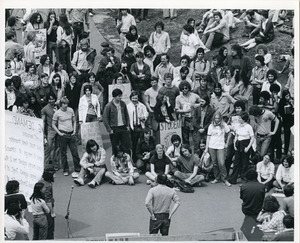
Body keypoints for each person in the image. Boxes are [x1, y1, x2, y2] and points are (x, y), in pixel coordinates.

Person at [52, 96, 81, 177]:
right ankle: (66, 169)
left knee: (74, 152)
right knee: (63, 153)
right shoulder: (57, 113)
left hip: (71, 133)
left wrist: (75, 131)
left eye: (67, 104)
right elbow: (53, 124)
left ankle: (78, 169)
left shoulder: (71, 110)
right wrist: (59, 133)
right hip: (63, 134)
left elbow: (74, 121)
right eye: (64, 104)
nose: (66, 106)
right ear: (61, 104)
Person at [205, 111, 231, 186]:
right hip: (212, 146)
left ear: (220, 118)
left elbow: (229, 133)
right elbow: (208, 137)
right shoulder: (211, 126)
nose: (217, 120)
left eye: (218, 118)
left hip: (220, 146)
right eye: (215, 118)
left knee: (221, 163)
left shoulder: (224, 125)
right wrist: (206, 148)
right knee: (215, 163)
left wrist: (227, 143)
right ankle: (217, 177)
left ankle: (224, 179)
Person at [102, 88, 132, 156]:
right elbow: (105, 118)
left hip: (123, 127)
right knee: (115, 147)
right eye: (119, 96)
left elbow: (126, 115)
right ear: (114, 96)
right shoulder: (108, 106)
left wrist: (127, 125)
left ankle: (128, 162)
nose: (120, 97)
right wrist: (109, 129)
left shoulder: (123, 104)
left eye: (121, 95)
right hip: (114, 128)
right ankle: (115, 163)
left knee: (126, 146)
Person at [228, 111, 255, 184]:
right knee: (236, 162)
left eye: (240, 118)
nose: (238, 119)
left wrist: (248, 147)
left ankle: (244, 179)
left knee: (245, 163)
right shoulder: (237, 126)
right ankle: (233, 179)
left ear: (244, 119)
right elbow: (236, 135)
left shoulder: (248, 127)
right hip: (238, 144)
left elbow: (252, 138)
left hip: (245, 144)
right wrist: (234, 145)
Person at [175, 81, 201, 145]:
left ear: (188, 88)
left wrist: (195, 105)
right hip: (184, 119)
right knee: (185, 138)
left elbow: (202, 102)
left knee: (195, 138)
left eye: (186, 88)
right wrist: (184, 111)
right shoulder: (178, 98)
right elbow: (176, 109)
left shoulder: (194, 96)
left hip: (194, 119)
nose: (184, 90)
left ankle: (196, 153)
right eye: (183, 89)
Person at [127, 91, 149, 164]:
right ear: (131, 98)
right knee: (134, 144)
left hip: (141, 126)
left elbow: (146, 113)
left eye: (136, 98)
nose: (134, 100)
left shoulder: (142, 105)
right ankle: (134, 160)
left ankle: (142, 158)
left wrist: (144, 117)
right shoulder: (128, 106)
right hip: (133, 127)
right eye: (133, 98)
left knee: (142, 142)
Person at [42, 93, 60, 171]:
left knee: (57, 148)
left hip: (59, 130)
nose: (51, 101)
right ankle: (45, 166)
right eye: (49, 99)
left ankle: (55, 165)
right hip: (50, 130)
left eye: (52, 99)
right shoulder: (45, 109)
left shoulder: (58, 107)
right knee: (48, 148)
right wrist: (43, 133)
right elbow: (43, 121)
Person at [278, 90, 294, 155]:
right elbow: (280, 111)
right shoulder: (282, 101)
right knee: (286, 135)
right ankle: (286, 150)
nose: (288, 97)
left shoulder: (292, 100)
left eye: (288, 96)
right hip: (286, 120)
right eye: (286, 96)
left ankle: (292, 149)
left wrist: (292, 104)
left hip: (292, 119)